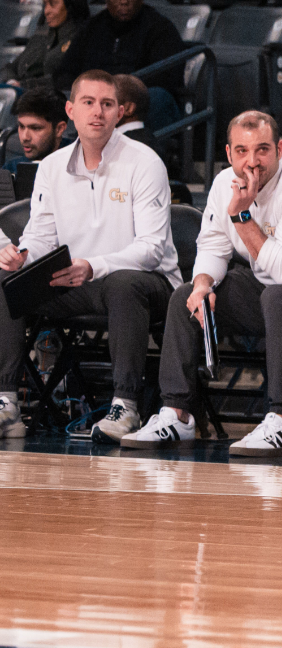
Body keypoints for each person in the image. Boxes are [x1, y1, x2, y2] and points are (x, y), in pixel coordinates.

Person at [120, 112, 282, 456]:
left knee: (280, 297)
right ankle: (176, 413)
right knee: (187, 297)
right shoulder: (224, 182)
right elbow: (212, 247)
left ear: (280, 149)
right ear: (228, 153)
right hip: (275, 292)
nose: (251, 162)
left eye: (262, 150)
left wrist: (241, 216)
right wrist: (202, 285)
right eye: (241, 151)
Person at [0, 70, 179, 445]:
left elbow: (151, 249)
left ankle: (125, 405)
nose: (97, 112)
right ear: (71, 110)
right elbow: (41, 235)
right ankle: (6, 402)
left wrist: (92, 266)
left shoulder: (145, 163)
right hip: (73, 281)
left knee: (123, 284)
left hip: (148, 284)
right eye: (88, 102)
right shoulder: (51, 168)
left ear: (119, 113)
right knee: (6, 282)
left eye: (107, 104)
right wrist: (23, 257)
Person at [57, 0, 185, 124]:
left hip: (135, 100)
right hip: (94, 98)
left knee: (157, 97)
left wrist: (119, 93)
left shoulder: (160, 28)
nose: (124, 1)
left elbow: (166, 77)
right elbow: (65, 70)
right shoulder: (92, 27)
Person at [10, 0, 89, 96]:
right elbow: (12, 67)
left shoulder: (82, 39)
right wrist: (9, 81)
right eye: (45, 4)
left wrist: (23, 85)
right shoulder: (40, 37)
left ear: (70, 5)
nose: (46, 11)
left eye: (53, 4)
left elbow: (65, 79)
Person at [6, 90, 66, 176]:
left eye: (35, 128)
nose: (25, 137)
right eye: (21, 126)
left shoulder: (80, 165)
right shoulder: (11, 168)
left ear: (59, 129)